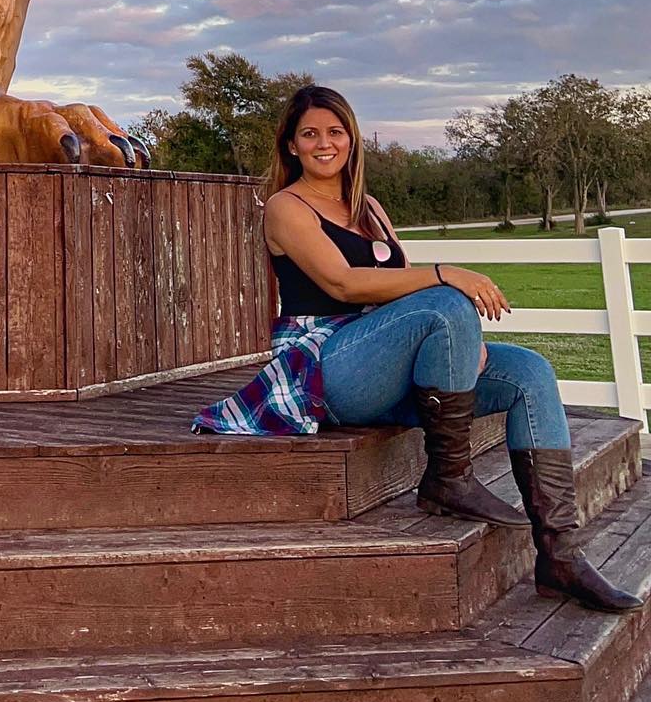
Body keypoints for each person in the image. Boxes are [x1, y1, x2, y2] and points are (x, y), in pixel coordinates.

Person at [192, 83, 641, 614]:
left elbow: (397, 286)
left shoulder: (370, 208)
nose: (323, 143)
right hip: (325, 368)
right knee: (443, 297)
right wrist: (447, 279)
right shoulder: (285, 208)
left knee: (530, 374)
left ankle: (561, 556)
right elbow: (343, 285)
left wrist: (458, 340)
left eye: (335, 132)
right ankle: (448, 477)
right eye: (309, 134)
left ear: (352, 139)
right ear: (291, 145)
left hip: (386, 359)